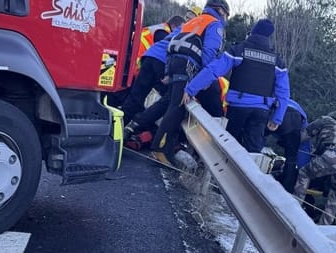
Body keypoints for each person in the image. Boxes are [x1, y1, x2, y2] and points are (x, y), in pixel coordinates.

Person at [184, 18, 291, 154]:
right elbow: (283, 92)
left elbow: (213, 70)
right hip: (261, 111)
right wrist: (277, 117)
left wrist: (191, 89)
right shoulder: (277, 61)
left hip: (238, 107)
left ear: (253, 32)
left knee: (227, 146)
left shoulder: (239, 50)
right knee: (252, 152)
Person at [147, 0, 229, 165]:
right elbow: (210, 51)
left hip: (175, 62)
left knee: (171, 103)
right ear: (220, 10)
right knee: (177, 106)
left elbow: (172, 43)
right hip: (189, 66)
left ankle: (158, 144)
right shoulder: (215, 24)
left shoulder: (193, 21)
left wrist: (168, 71)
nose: (226, 19)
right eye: (226, 15)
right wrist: (204, 77)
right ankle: (160, 149)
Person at [292, 111, 336, 225]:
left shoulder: (326, 120)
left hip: (333, 155)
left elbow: (303, 135)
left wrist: (290, 145)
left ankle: (294, 209)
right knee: (335, 195)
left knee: (304, 173)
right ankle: (324, 227)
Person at [121, 15, 185, 123]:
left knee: (135, 97)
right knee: (168, 97)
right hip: (158, 62)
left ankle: (119, 126)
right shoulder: (163, 31)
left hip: (146, 58)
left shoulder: (172, 29)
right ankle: (139, 125)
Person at [267, 99, 308, 192]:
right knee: (291, 158)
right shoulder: (305, 128)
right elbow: (304, 149)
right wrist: (301, 169)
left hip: (278, 112)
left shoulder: (280, 98)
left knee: (256, 138)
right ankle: (286, 189)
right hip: (297, 119)